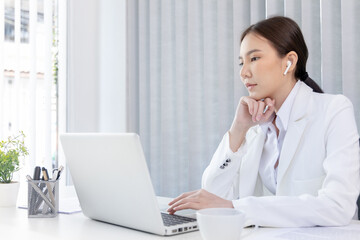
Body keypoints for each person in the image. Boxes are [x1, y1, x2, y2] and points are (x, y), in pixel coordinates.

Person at [167, 16, 360, 227]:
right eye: (242, 62)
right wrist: (238, 129)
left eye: (254, 59)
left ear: (289, 62)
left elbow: (338, 207)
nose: (243, 72)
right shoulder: (256, 128)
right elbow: (213, 198)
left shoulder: (334, 111)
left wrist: (236, 208)